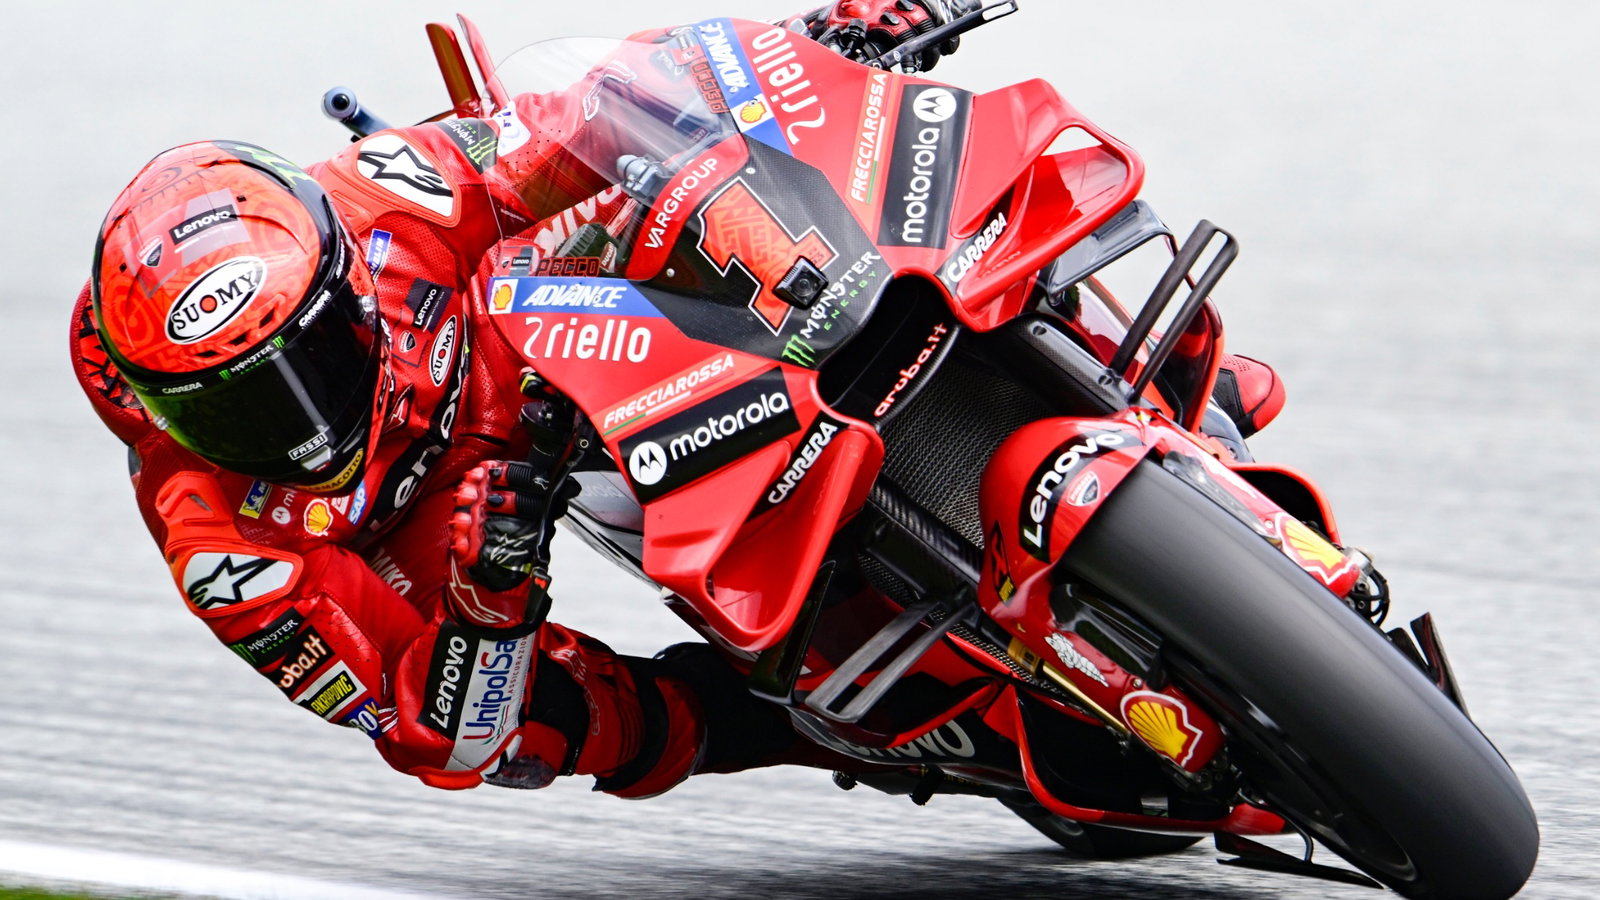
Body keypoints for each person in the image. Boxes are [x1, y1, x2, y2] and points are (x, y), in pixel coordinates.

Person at [73, 1, 1283, 796]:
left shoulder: (391, 199)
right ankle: (771, 717)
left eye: (309, 360)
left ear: (344, 278)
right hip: (457, 517)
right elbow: (438, 735)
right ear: (162, 414)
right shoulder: (226, 549)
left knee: (749, 197)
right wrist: (491, 593)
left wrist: (823, 45)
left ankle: (1093, 355)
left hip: (544, 337)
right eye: (237, 412)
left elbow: (582, 123)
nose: (298, 421)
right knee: (544, 730)